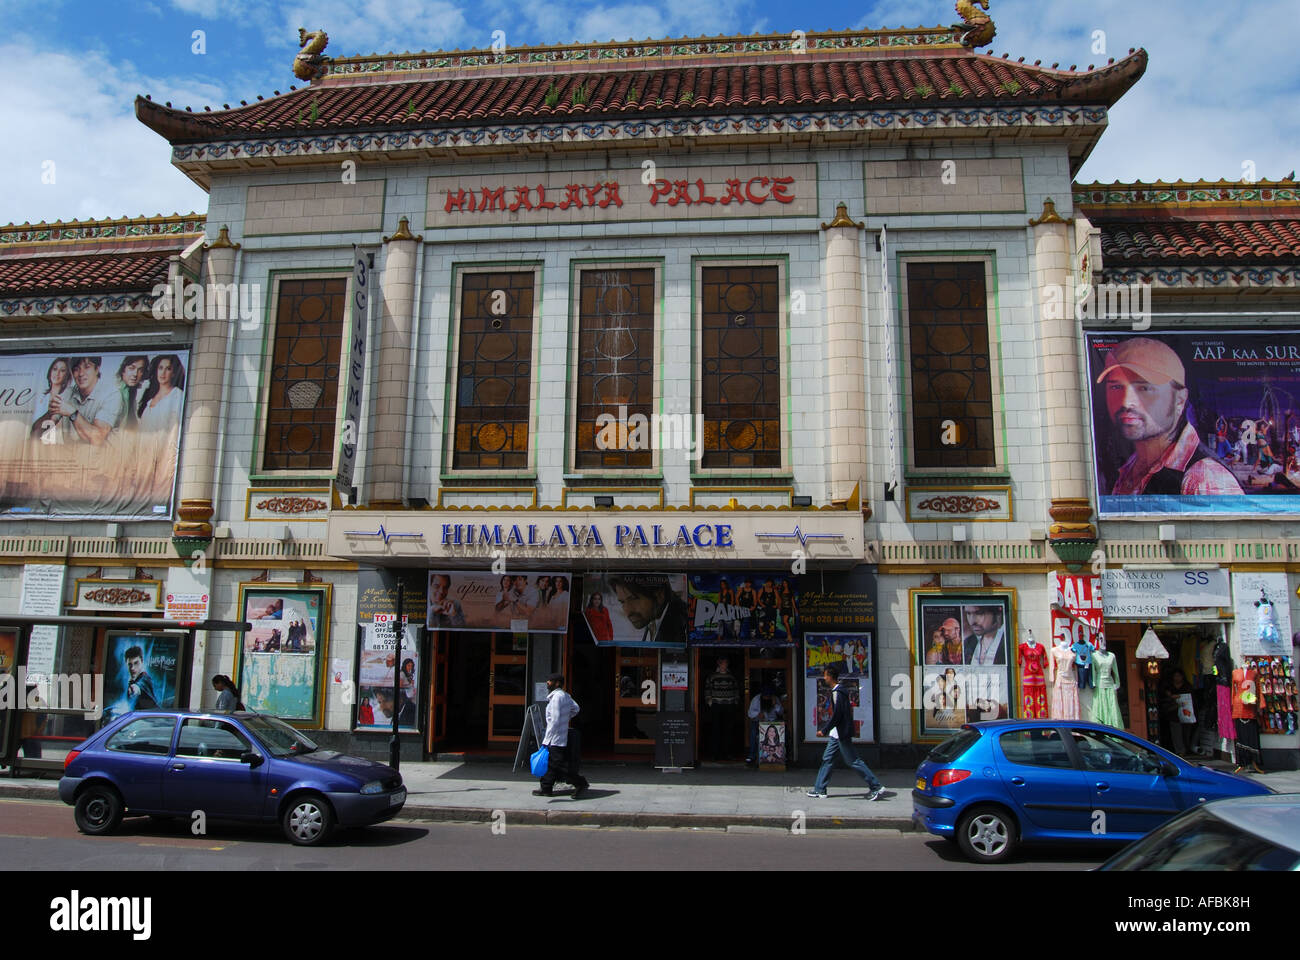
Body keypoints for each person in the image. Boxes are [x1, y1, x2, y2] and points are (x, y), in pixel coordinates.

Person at [1096, 338, 1243, 496]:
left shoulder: (1204, 478)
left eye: (1144, 388)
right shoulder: (1132, 466)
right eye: (1116, 386)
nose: (1126, 401)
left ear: (1179, 400)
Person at [808, 665, 886, 800]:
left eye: (825, 675)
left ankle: (876, 786)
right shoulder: (838, 691)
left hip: (841, 733)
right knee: (827, 759)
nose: (824, 678)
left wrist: (824, 730)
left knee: (854, 761)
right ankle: (820, 789)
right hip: (836, 733)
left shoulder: (838, 692)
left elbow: (838, 715)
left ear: (830, 676)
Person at [533, 673, 589, 797]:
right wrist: (566, 717)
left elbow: (555, 720)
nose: (547, 682)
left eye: (550, 681)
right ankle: (546, 788)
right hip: (560, 736)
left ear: (557, 683)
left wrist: (547, 739)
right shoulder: (565, 695)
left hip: (555, 738)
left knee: (558, 766)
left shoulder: (557, 697)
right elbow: (576, 708)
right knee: (551, 764)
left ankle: (580, 783)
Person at [51, 356, 123, 445]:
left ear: (97, 369)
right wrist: (50, 414)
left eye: (87, 367)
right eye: (76, 369)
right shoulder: (68, 392)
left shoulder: (111, 394)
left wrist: (73, 414)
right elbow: (42, 427)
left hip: (102, 458)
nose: (81, 373)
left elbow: (97, 438)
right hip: (71, 457)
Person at [609, 574, 687, 646]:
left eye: (634, 599)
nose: (628, 611)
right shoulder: (653, 617)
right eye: (622, 602)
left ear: (660, 595)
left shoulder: (683, 629)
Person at [704, 656, 742, 761]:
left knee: (728, 730)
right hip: (716, 705)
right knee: (715, 729)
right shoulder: (712, 677)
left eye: (726, 663)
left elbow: (736, 690)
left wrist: (735, 701)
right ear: (719, 664)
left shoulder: (731, 677)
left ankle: (727, 753)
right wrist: (709, 701)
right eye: (723, 663)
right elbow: (707, 690)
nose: (725, 665)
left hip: (729, 705)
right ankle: (715, 754)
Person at [136, 354, 185, 433]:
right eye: (160, 368)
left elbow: (175, 428)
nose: (163, 373)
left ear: (173, 373)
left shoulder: (177, 395)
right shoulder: (149, 397)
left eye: (168, 369)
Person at [29, 356, 73, 439]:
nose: (57, 373)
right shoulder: (42, 397)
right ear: (50, 372)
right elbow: (34, 429)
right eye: (55, 369)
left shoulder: (67, 396)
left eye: (62, 370)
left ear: (67, 375)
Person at [745, 688, 783, 767]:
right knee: (753, 732)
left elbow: (780, 712)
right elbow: (750, 713)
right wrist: (757, 714)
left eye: (769, 697)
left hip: (772, 722)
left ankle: (780, 756)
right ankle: (751, 756)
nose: (767, 698)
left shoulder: (775, 699)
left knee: (780, 732)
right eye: (765, 697)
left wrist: (775, 704)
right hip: (759, 722)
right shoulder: (756, 700)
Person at [116, 355, 148, 430]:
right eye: (131, 368)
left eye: (140, 370)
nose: (135, 374)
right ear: (123, 370)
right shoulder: (115, 392)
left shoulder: (134, 392)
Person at [123, 645, 158, 710]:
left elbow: (141, 685)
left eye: (136, 663)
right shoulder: (132, 681)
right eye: (129, 664)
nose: (132, 668)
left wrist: (135, 688)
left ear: (142, 661)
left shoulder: (145, 679)